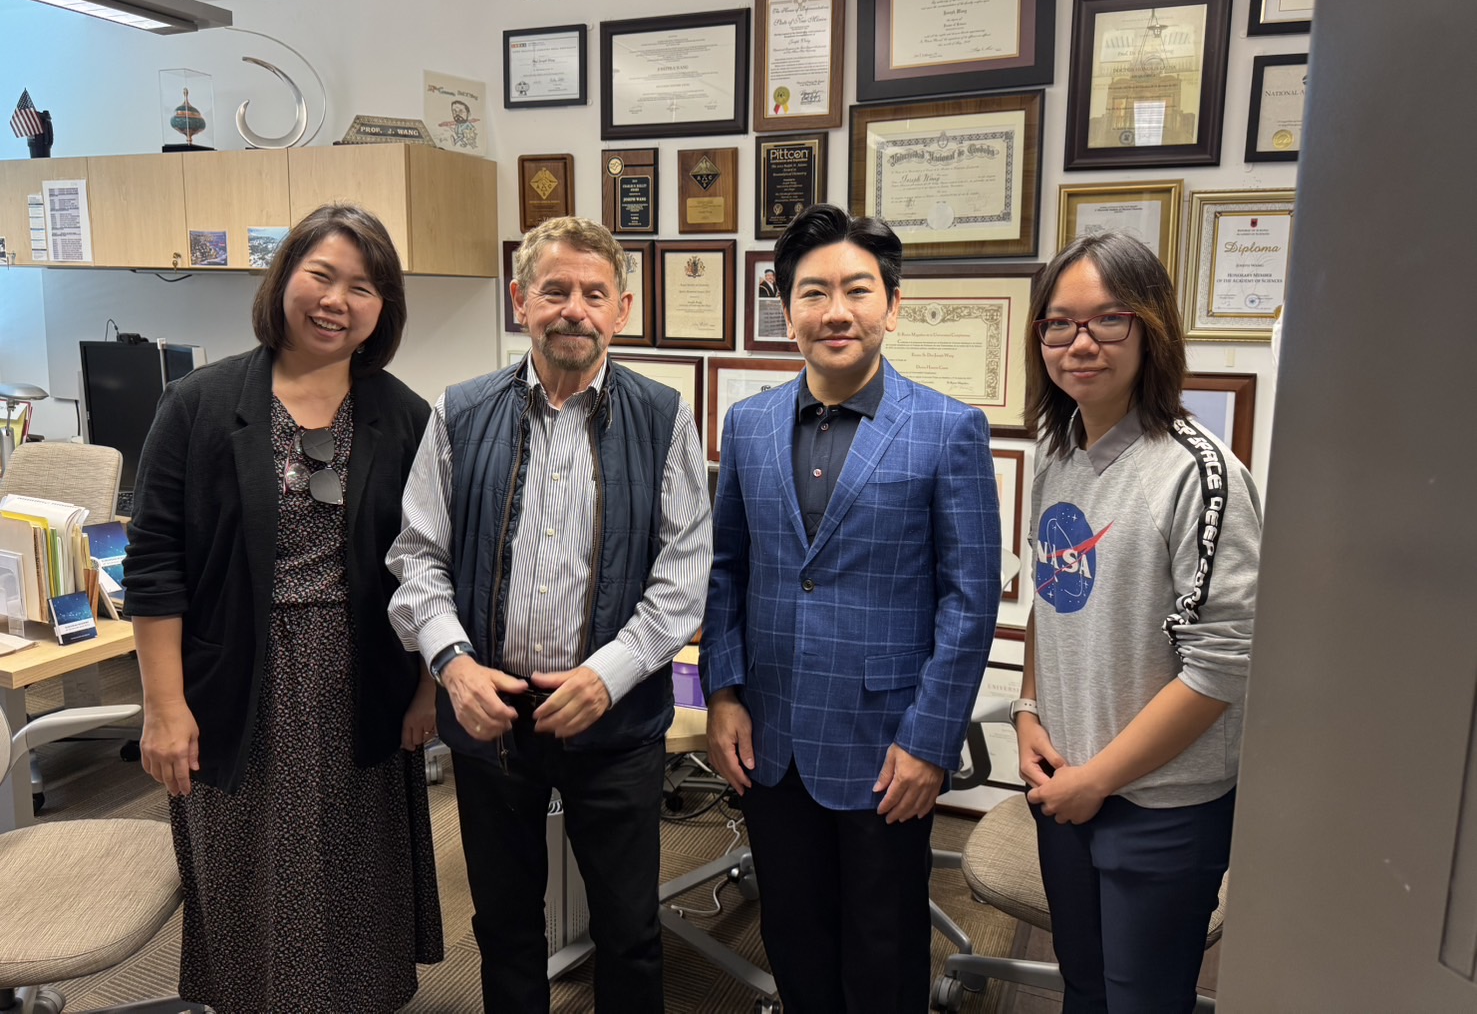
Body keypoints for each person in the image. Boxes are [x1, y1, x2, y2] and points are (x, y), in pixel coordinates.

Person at [387, 215, 711, 1013]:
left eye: (594, 294)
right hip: (489, 717)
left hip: (614, 720)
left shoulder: (664, 416)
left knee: (628, 929)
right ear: (520, 301)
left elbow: (683, 577)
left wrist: (610, 676)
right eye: (555, 290)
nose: (574, 309)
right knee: (503, 924)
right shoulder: (459, 411)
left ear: (621, 310)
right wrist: (452, 666)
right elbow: (417, 557)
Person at [124, 204, 443, 1012]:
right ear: (284, 279)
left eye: (362, 287)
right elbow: (154, 564)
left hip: (363, 678)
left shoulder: (405, 416)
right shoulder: (197, 404)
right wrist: (163, 706)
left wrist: (427, 690)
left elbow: (434, 565)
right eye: (321, 276)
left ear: (383, 308)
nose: (337, 301)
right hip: (237, 679)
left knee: (358, 870)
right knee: (251, 869)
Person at [701, 203, 1001, 1012]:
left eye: (857, 290)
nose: (835, 311)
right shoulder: (748, 424)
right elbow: (726, 570)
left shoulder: (948, 429)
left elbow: (969, 601)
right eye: (813, 292)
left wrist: (929, 742)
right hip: (769, 737)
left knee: (882, 946)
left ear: (892, 306)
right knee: (792, 934)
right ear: (785, 306)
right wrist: (723, 695)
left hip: (887, 744)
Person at [1016, 231, 1262, 1013]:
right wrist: (1027, 710)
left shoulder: (1200, 474)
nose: (1079, 343)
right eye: (1059, 324)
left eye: (1107, 320)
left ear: (1150, 326)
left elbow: (1221, 667)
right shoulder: (1058, 457)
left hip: (1160, 804)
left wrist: (1098, 780)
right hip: (1066, 785)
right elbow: (1050, 597)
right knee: (1084, 987)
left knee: (1143, 1000)